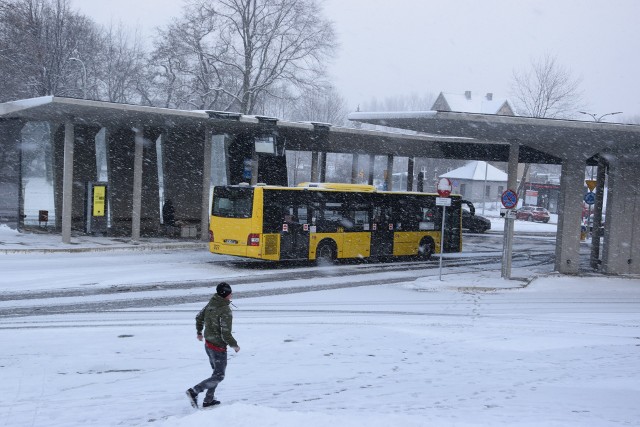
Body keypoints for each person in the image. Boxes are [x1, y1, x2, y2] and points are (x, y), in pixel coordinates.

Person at [186, 282, 240, 409]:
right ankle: (194, 391)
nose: (232, 294)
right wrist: (234, 345)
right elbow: (225, 333)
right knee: (219, 375)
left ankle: (208, 400)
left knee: (215, 374)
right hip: (218, 348)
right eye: (230, 292)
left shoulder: (212, 303)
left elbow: (199, 317)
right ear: (225, 294)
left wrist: (199, 332)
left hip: (208, 345)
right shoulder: (225, 310)